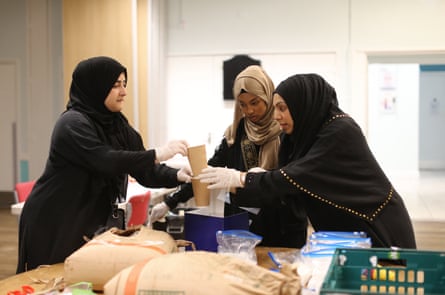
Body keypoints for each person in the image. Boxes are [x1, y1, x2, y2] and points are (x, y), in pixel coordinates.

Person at [198, 73, 417, 249]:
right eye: (275, 108)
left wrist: (243, 178)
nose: (276, 116)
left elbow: (297, 176)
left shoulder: (340, 130)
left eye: (282, 108)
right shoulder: (298, 138)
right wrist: (239, 188)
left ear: (303, 105)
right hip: (342, 235)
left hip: (375, 227)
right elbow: (289, 191)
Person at [16, 56, 192, 273]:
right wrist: (157, 153)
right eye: (116, 85)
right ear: (96, 87)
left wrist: (177, 175)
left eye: (124, 84)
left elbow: (144, 171)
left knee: (86, 276)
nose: (124, 92)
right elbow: (104, 160)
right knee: (56, 278)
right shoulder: (71, 123)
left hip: (89, 216)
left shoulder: (117, 124)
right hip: (56, 219)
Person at [150, 65, 308, 248]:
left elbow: (294, 184)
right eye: (242, 104)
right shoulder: (236, 135)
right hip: (244, 229)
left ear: (268, 96)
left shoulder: (287, 132)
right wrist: (170, 202)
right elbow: (206, 173)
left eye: (255, 102)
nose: (249, 111)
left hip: (283, 228)